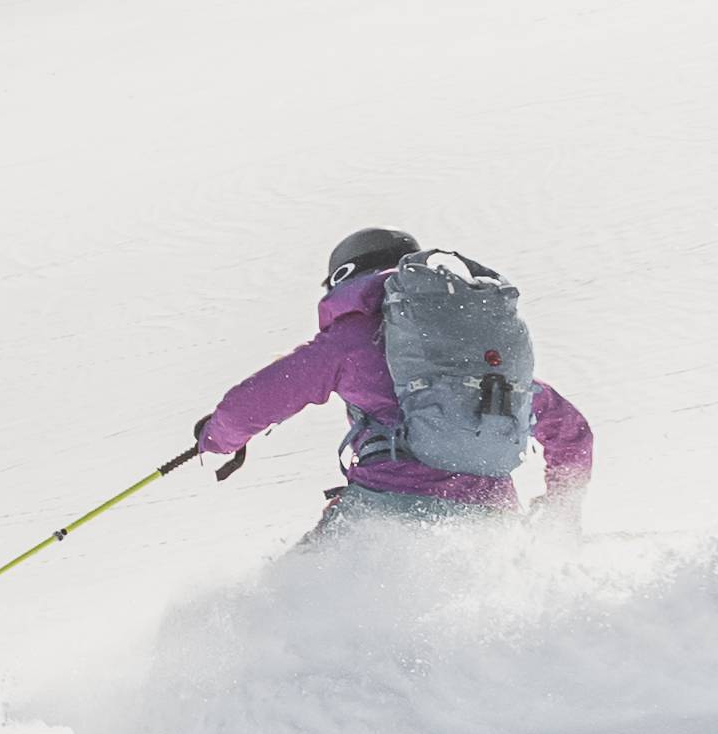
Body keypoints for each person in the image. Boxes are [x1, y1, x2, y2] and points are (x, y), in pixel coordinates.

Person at [197, 227, 592, 536]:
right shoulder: (469, 358)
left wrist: (217, 436)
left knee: (285, 601)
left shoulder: (352, 339)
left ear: (344, 277)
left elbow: (267, 394)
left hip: (390, 507)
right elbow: (572, 431)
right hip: (492, 520)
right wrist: (562, 510)